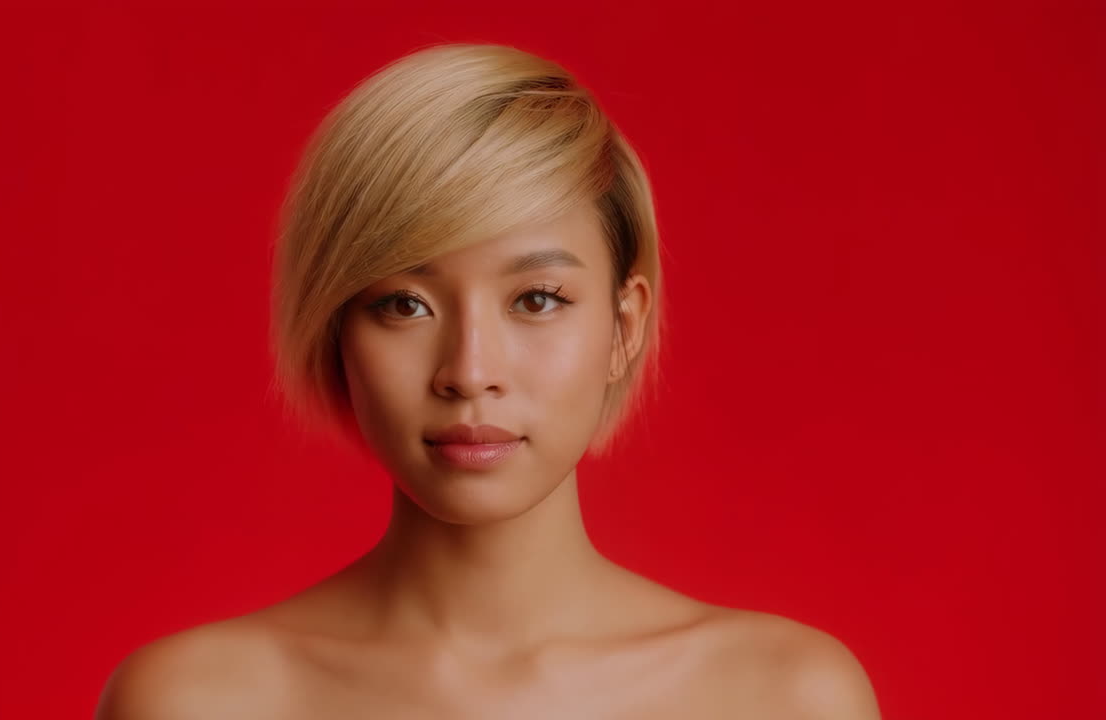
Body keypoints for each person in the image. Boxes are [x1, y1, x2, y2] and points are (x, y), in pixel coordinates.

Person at [95, 42, 881, 719]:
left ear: (625, 324)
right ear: (336, 327)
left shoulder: (782, 697)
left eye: (537, 300)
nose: (470, 371)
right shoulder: (198, 702)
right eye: (404, 303)